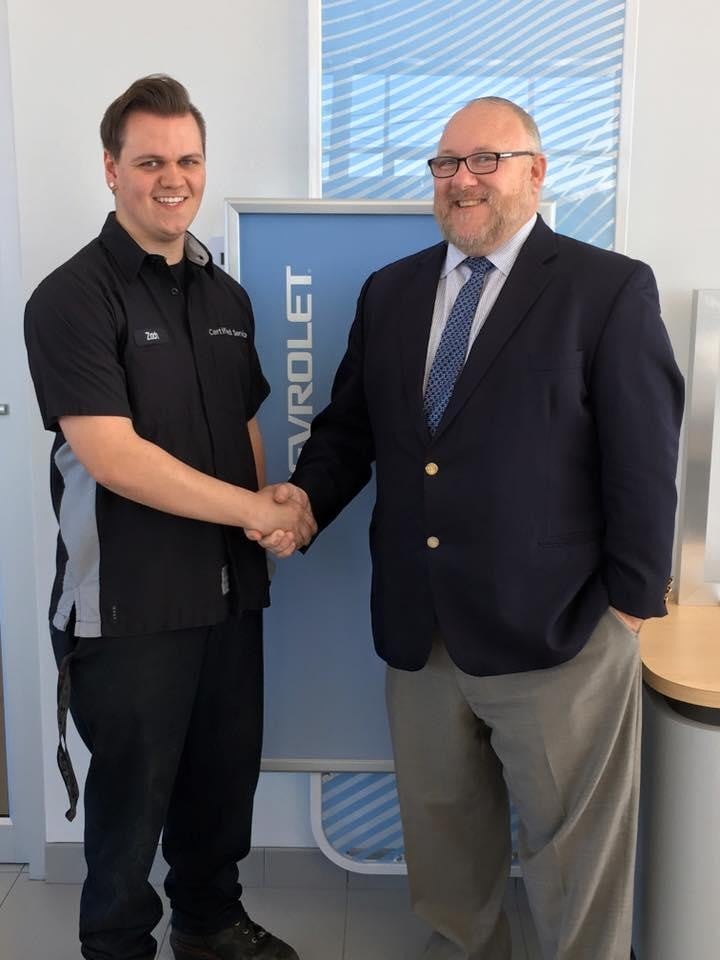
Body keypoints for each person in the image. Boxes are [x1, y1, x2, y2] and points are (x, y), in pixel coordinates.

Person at [257, 97, 684, 958]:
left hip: (561, 634)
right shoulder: (393, 291)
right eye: (447, 164)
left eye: (486, 160)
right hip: (422, 632)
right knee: (446, 839)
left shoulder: (607, 288)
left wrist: (629, 609)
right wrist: (302, 507)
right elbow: (350, 431)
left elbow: (644, 457)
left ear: (536, 170)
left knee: (575, 857)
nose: (463, 180)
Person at [24, 75, 314, 960]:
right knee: (129, 809)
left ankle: (210, 922)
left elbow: (242, 425)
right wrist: (251, 511)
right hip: (129, 605)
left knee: (222, 785)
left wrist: (274, 518)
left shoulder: (226, 297)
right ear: (111, 170)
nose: (172, 177)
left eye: (187, 159)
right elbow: (114, 458)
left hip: (229, 592)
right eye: (150, 160)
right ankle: (117, 945)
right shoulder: (72, 297)